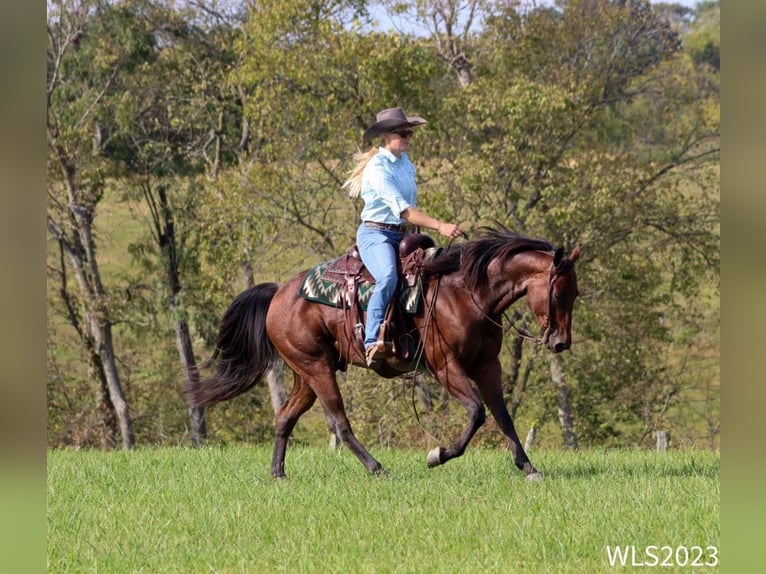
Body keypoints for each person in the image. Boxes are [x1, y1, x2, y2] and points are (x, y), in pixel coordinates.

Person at [343, 107, 463, 367]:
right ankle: (372, 340)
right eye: (403, 133)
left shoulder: (406, 164)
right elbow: (405, 211)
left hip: (404, 235)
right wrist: (440, 225)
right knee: (388, 277)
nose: (408, 137)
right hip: (376, 234)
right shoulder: (377, 168)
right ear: (387, 135)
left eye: (410, 133)